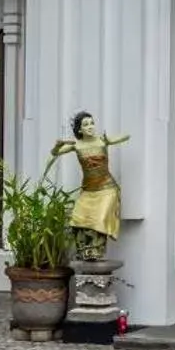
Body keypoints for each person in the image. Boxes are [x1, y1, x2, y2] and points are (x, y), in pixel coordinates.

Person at [48, 112, 129, 261]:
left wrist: (109, 140)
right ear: (80, 130)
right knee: (78, 218)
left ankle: (96, 251)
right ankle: (85, 251)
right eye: (86, 125)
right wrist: (58, 145)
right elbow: (55, 153)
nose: (90, 127)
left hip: (107, 188)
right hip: (88, 190)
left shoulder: (101, 141)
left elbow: (126, 136)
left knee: (99, 220)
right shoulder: (77, 146)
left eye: (92, 123)